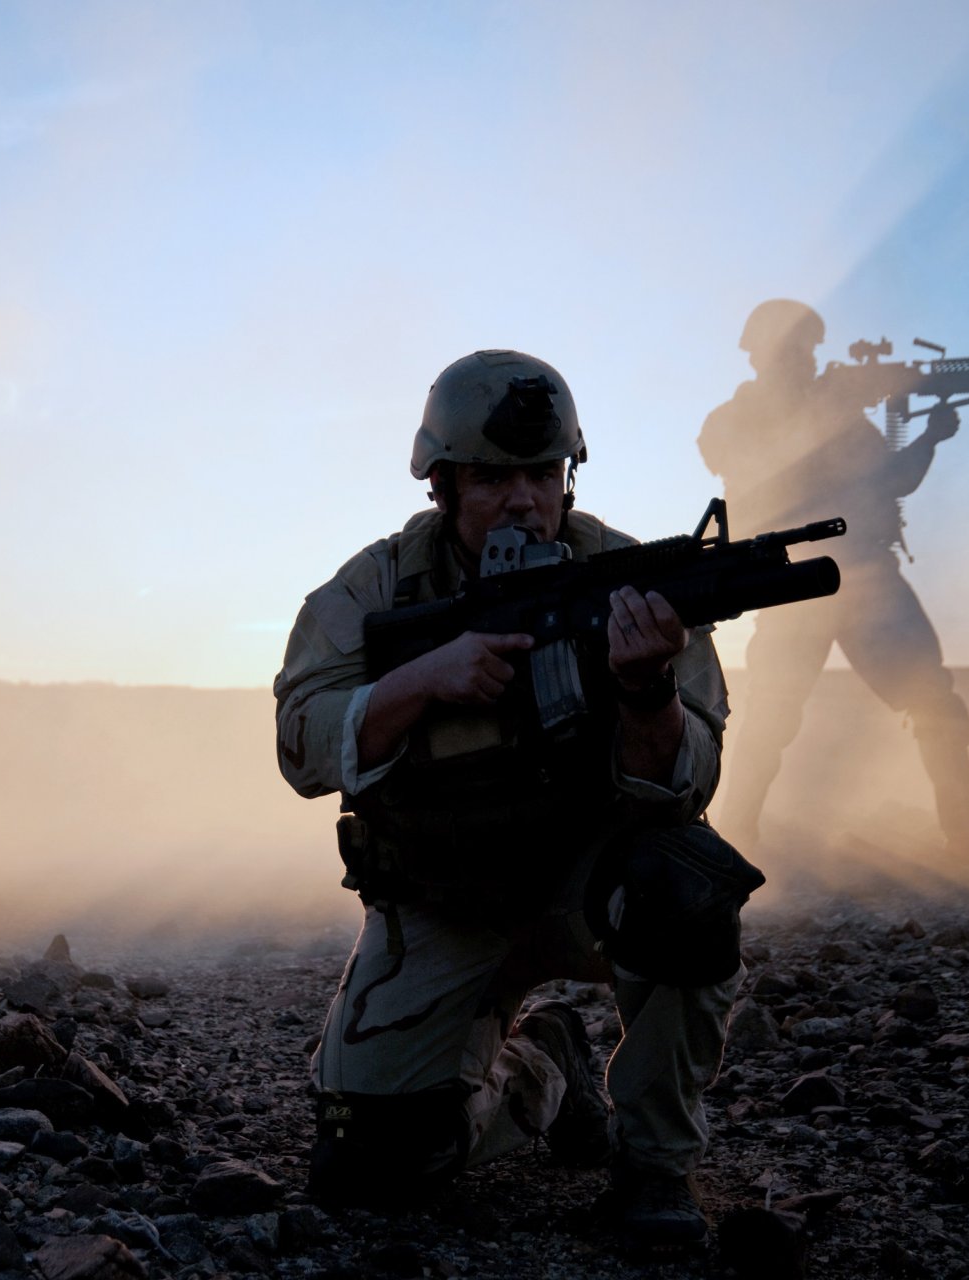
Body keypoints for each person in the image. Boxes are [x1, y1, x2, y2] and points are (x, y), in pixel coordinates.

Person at [274, 350, 742, 1250]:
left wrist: (645, 692)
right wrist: (422, 682)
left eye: (541, 473)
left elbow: (695, 780)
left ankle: (654, 1163)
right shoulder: (379, 586)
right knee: (370, 1163)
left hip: (595, 893)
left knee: (685, 884)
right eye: (492, 476)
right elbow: (300, 743)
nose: (522, 499)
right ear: (442, 486)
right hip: (450, 897)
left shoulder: (632, 578)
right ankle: (546, 1065)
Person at [700, 300, 969, 849]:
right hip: (794, 578)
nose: (807, 360)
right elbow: (742, 462)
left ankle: (967, 830)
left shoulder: (835, 411)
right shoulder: (737, 418)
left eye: (809, 349)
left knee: (931, 699)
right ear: (761, 354)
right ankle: (733, 837)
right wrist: (830, 416)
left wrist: (925, 433)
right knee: (771, 717)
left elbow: (891, 481)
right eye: (796, 349)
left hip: (857, 577)